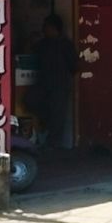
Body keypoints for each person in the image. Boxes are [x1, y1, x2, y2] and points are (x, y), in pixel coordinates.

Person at [29, 14, 78, 149]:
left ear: (53, 28)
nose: (44, 29)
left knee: (57, 116)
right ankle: (44, 139)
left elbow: (74, 66)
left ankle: (53, 146)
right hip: (44, 86)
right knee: (39, 108)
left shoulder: (65, 45)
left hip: (59, 86)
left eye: (46, 27)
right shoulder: (43, 44)